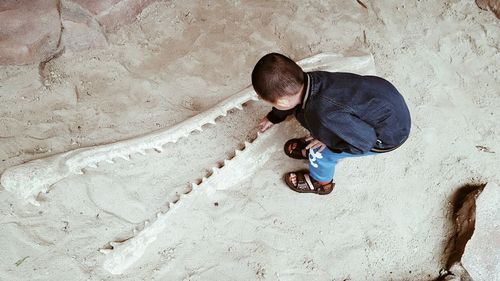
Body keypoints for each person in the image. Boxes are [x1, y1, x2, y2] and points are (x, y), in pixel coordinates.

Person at [251, 53, 411, 195]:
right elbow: (289, 103)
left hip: (386, 136)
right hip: (384, 101)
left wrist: (328, 141)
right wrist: (274, 117)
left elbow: (365, 142)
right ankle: (320, 145)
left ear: (283, 101)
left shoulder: (324, 115)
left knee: (320, 153)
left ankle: (320, 183)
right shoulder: (309, 80)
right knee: (307, 116)